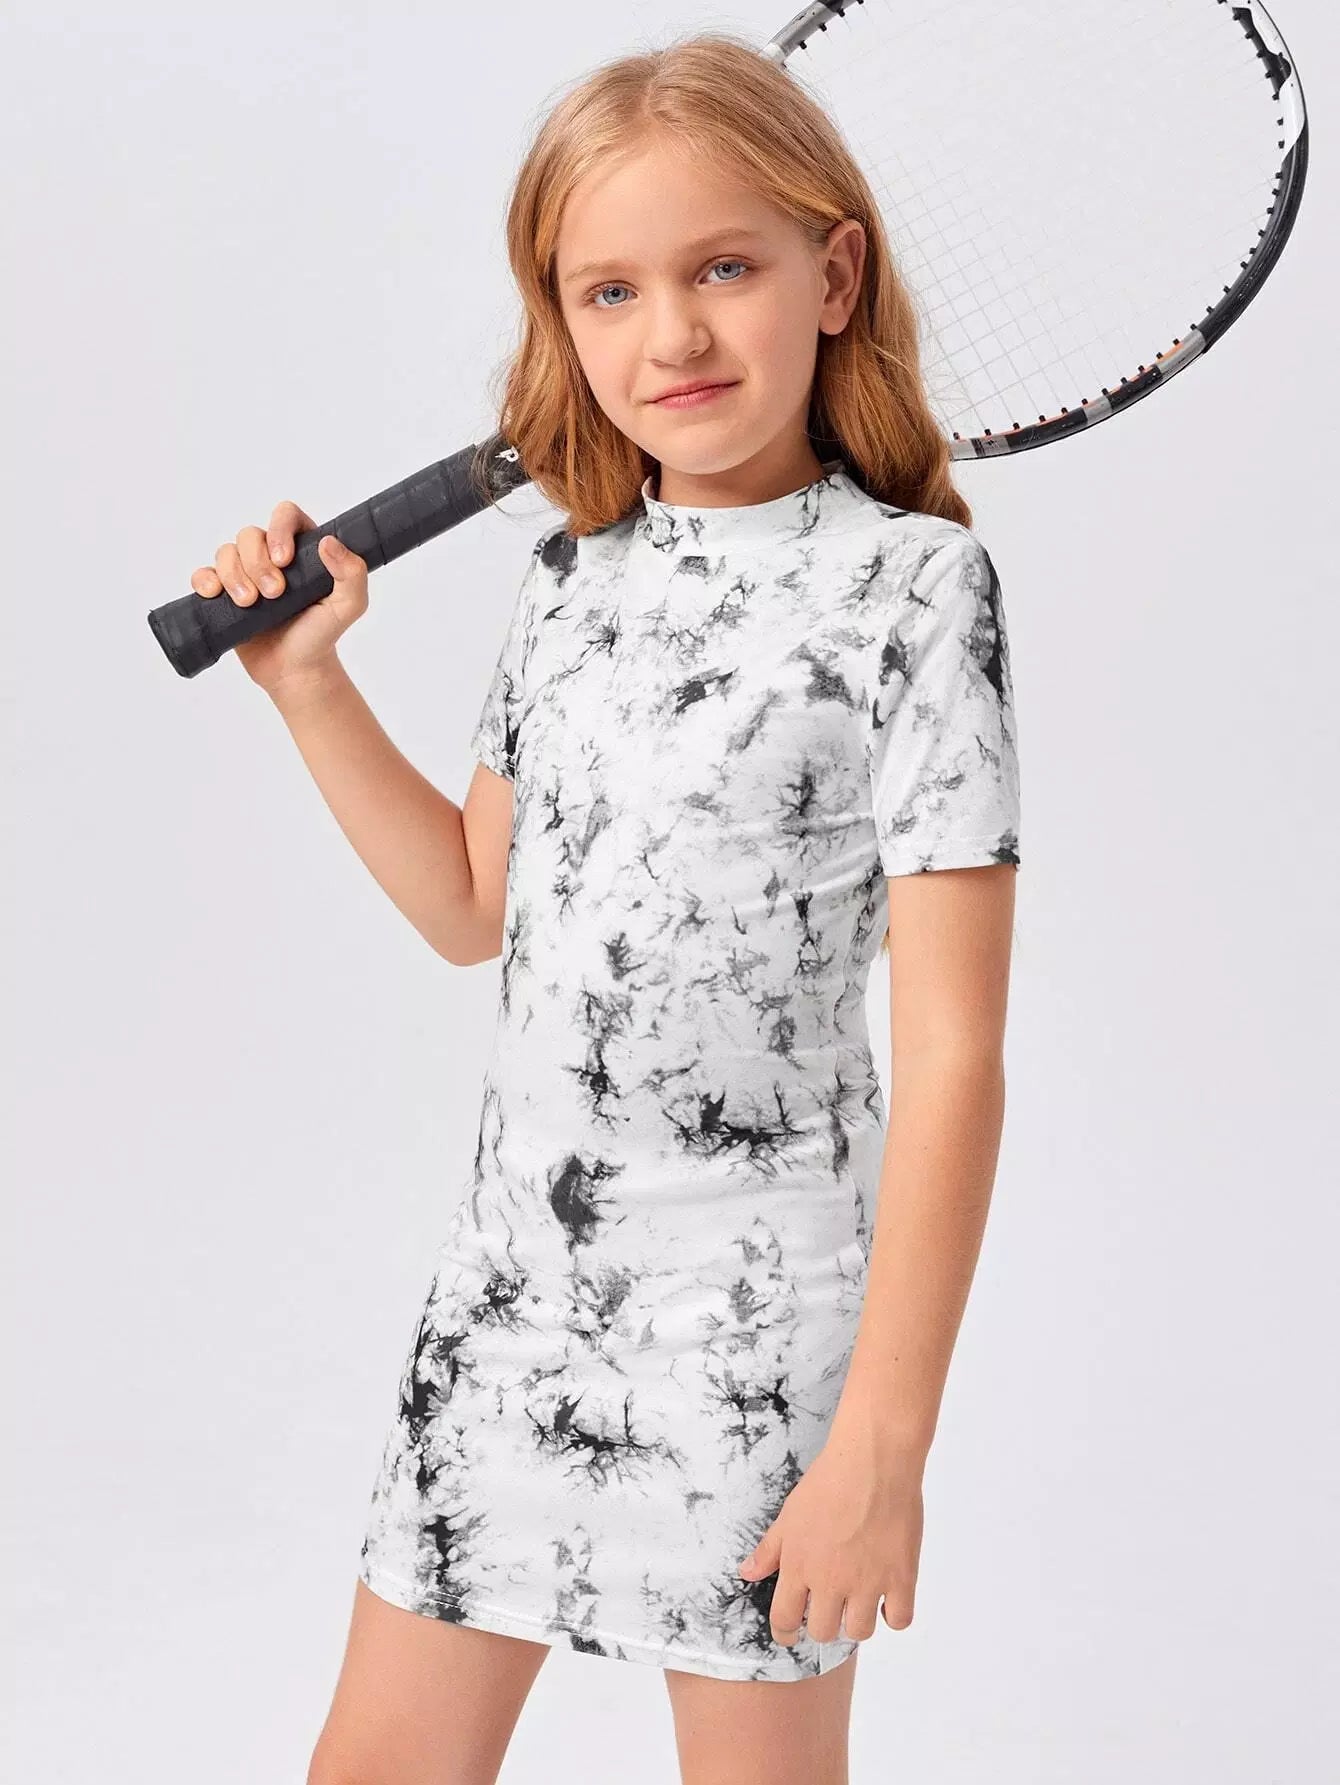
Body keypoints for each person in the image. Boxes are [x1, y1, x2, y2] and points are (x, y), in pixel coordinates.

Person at [191, 31, 1021, 1785]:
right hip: (513, 1308)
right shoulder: (569, 582)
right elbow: (469, 905)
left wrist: (883, 1442)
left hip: (759, 1335)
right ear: (562, 322)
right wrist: (307, 684)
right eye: (613, 290)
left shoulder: (914, 589)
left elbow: (956, 1055)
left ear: (833, 276)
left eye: (726, 268)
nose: (675, 337)